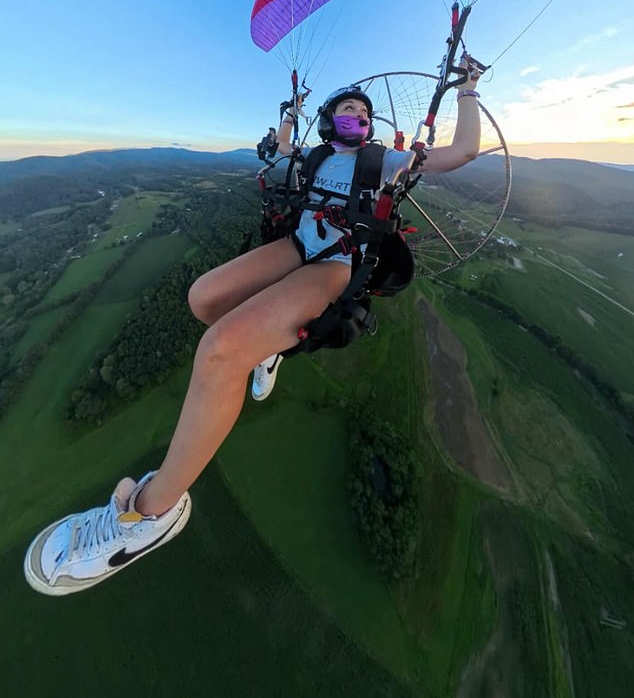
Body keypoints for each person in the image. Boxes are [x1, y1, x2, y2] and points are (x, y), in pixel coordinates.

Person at [24, 63, 481, 596]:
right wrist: (288, 116)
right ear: (329, 120)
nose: (356, 116)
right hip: (295, 247)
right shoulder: (315, 156)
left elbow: (462, 152)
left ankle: (150, 515)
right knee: (203, 299)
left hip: (332, 265)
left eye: (363, 112)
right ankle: (270, 344)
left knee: (219, 350)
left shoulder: (385, 162)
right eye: (346, 110)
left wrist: (467, 91)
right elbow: (280, 151)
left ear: (370, 125)